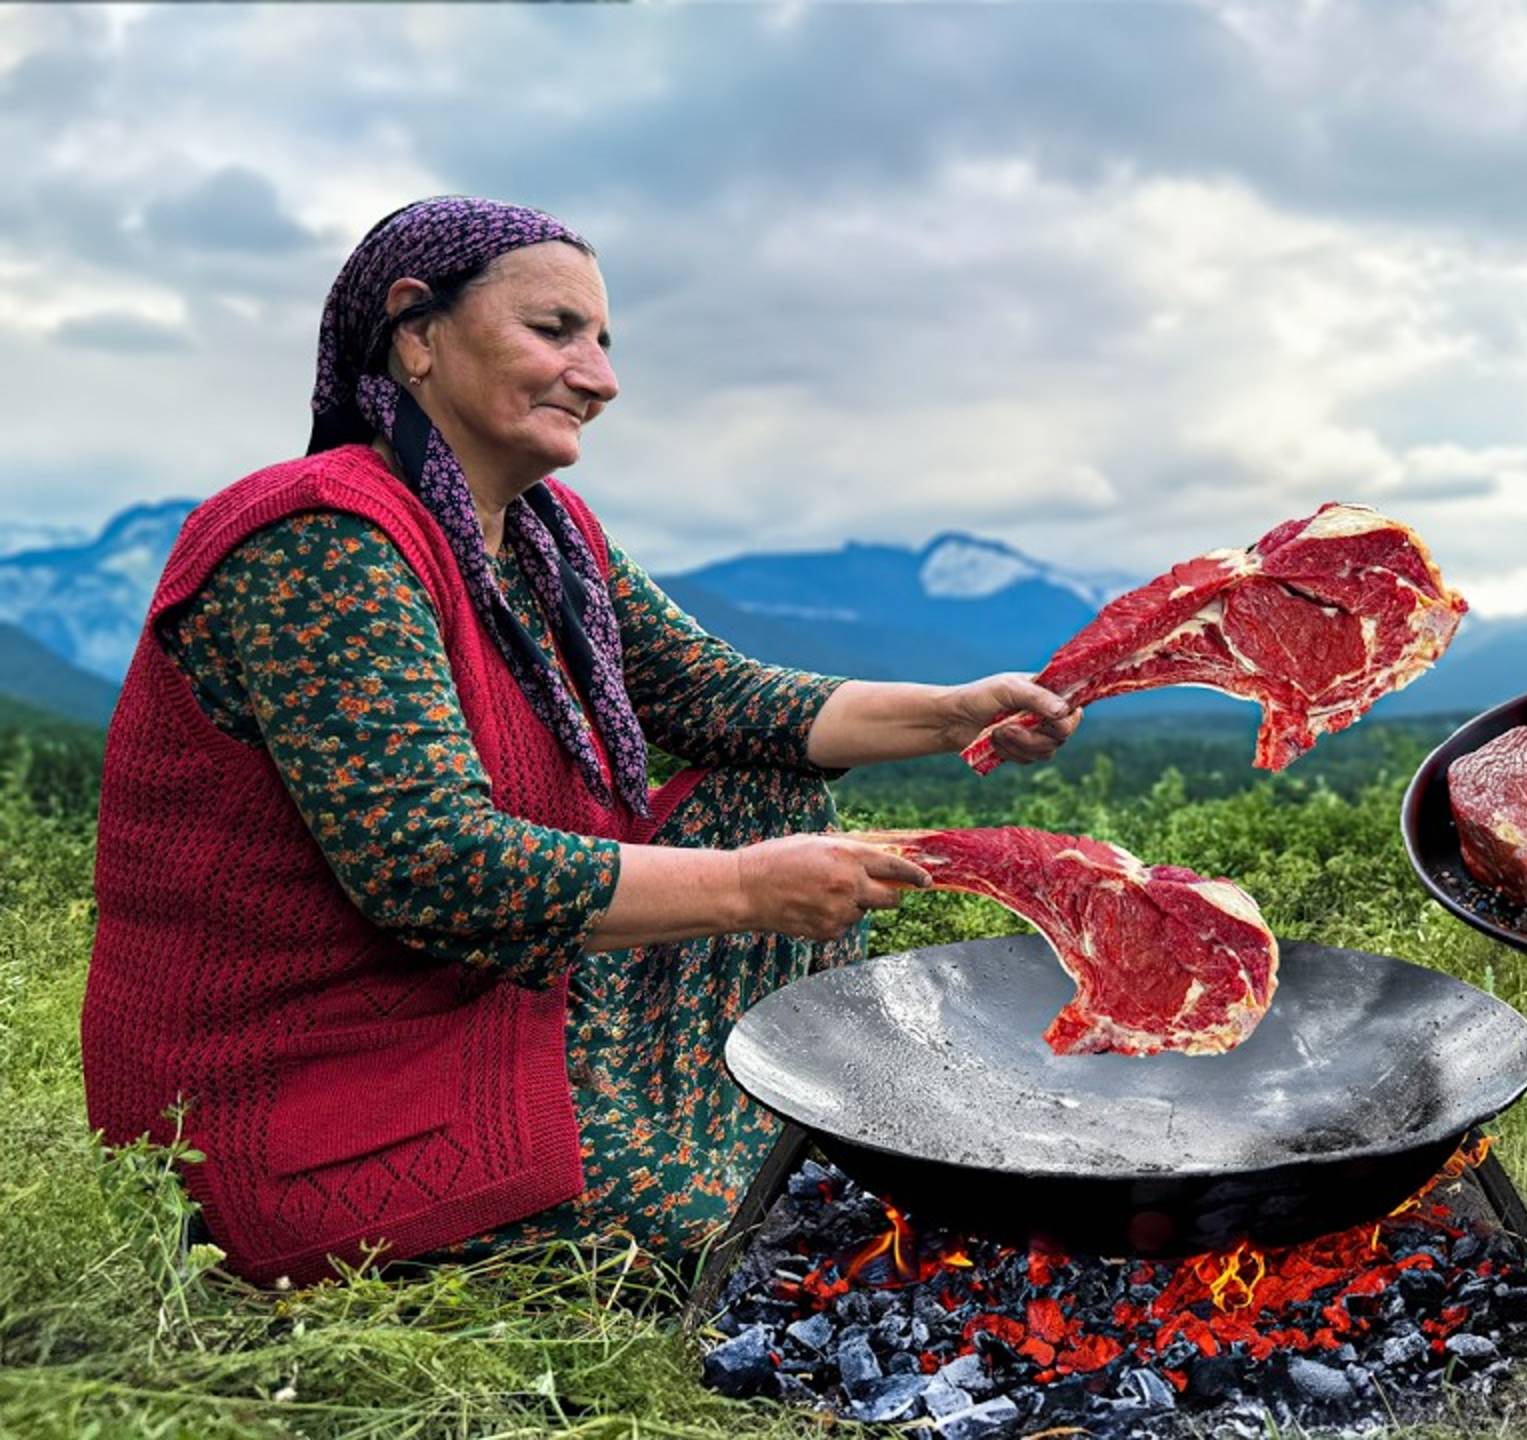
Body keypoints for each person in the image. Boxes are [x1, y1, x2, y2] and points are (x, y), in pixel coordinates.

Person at [81, 197, 1082, 1285]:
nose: (598, 378)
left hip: (476, 1002)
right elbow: (431, 866)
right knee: (707, 1247)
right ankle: (668, 1181)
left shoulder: (550, 541)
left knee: (765, 786)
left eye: (601, 343)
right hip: (302, 1080)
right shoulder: (324, 538)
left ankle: (724, 1151)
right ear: (414, 330)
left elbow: (725, 700)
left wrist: (955, 713)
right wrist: (749, 890)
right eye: (555, 332)